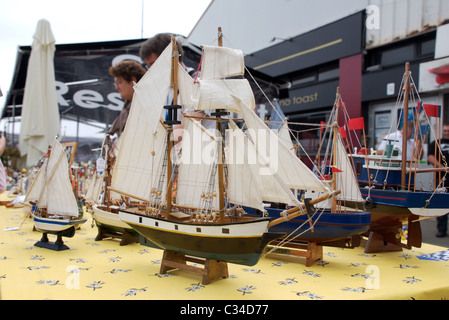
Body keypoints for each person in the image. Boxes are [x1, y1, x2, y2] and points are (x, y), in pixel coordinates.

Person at [139, 33, 215, 141]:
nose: (152, 70)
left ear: (172, 57)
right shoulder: (164, 88)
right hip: (173, 155)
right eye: (149, 66)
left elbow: (183, 132)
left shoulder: (200, 83)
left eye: (154, 64)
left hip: (198, 155)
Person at [107, 60, 146, 137]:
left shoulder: (145, 106)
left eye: (119, 82)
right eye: (116, 83)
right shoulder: (128, 106)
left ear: (133, 80)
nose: (116, 87)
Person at [427, 122, 449, 238]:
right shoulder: (435, 143)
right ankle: (441, 229)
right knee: (442, 204)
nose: (446, 133)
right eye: (444, 130)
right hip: (442, 177)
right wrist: (442, 167)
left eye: (448, 131)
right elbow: (430, 156)